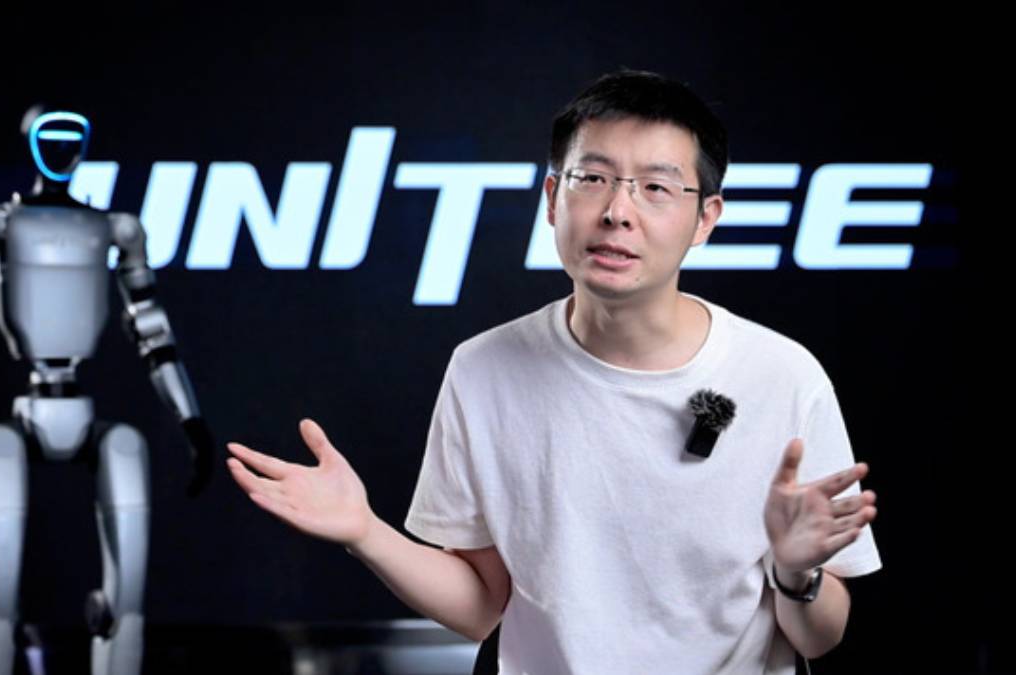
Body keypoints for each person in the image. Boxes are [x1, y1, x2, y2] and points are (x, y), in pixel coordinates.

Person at [224, 68, 881, 674]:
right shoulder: (483, 369)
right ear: (551, 198)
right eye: (591, 178)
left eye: (655, 187)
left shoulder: (782, 375)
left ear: (705, 218)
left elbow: (819, 636)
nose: (617, 211)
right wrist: (366, 532)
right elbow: (483, 605)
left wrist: (797, 573)